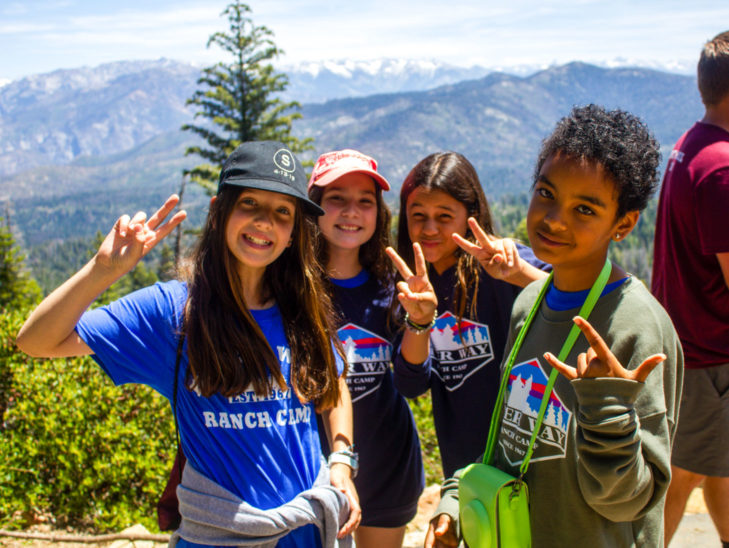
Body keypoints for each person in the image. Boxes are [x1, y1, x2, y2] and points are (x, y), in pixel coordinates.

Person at [16, 141, 361, 548]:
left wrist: (341, 461)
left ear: (292, 234)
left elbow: (332, 383)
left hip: (308, 531)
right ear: (218, 211)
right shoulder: (172, 312)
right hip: (218, 537)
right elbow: (36, 341)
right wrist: (102, 271)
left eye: (282, 212)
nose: (265, 222)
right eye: (249, 203)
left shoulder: (301, 308)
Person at [427, 105, 683, 548]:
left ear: (622, 224)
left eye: (585, 208)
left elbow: (630, 502)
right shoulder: (528, 303)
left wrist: (606, 408)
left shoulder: (635, 327)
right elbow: (512, 434)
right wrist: (456, 500)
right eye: (546, 193)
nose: (554, 218)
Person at [392, 151, 547, 478]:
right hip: (466, 472)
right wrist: (419, 321)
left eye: (445, 216)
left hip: (532, 464)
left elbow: (578, 299)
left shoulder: (504, 264)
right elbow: (410, 383)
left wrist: (519, 274)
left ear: (471, 215)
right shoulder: (412, 286)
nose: (429, 228)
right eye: (418, 214)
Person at [307, 149, 430, 548]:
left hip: (389, 465)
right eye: (336, 199)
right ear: (313, 207)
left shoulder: (392, 286)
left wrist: (419, 322)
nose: (351, 211)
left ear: (378, 214)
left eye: (365, 201)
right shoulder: (293, 290)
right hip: (315, 468)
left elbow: (412, 380)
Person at [652, 31, 729, 548]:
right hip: (710, 355)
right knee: (682, 473)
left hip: (690, 344)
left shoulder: (690, 145)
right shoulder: (722, 166)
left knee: (717, 466)